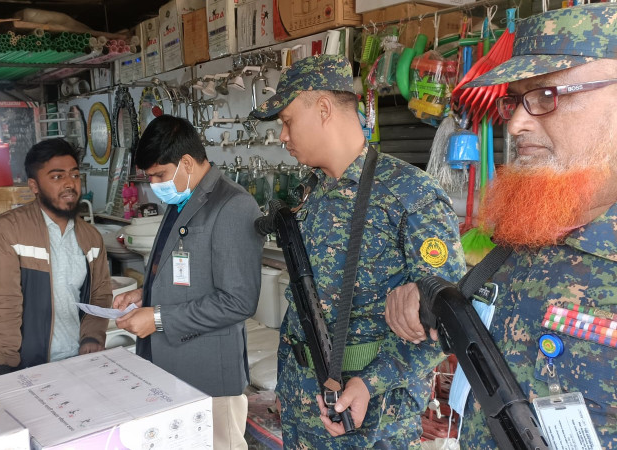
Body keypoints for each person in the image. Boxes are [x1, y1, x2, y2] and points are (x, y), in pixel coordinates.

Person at [385, 4, 617, 448]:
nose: (514, 124)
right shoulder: (530, 231)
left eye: (546, 95)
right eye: (515, 100)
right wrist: (428, 294)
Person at [249, 55, 466, 448]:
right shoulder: (312, 191)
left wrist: (370, 382)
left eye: (288, 121)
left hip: (370, 416)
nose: (282, 135)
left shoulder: (408, 194)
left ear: (323, 108)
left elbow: (447, 319)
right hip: (303, 401)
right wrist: (289, 385)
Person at [114, 115, 263, 450]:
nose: (155, 184)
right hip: (170, 367)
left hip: (209, 375)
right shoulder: (182, 197)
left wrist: (157, 318)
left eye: (159, 175)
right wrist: (144, 294)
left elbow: (238, 301)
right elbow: (186, 270)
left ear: (185, 163)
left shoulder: (233, 205)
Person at [0, 138, 112, 376]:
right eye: (57, 176)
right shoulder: (7, 231)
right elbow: (2, 303)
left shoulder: (91, 237)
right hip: (27, 364)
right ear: (34, 186)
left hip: (78, 360)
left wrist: (92, 336)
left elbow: (100, 294)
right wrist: (3, 365)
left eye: (74, 175)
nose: (69, 184)